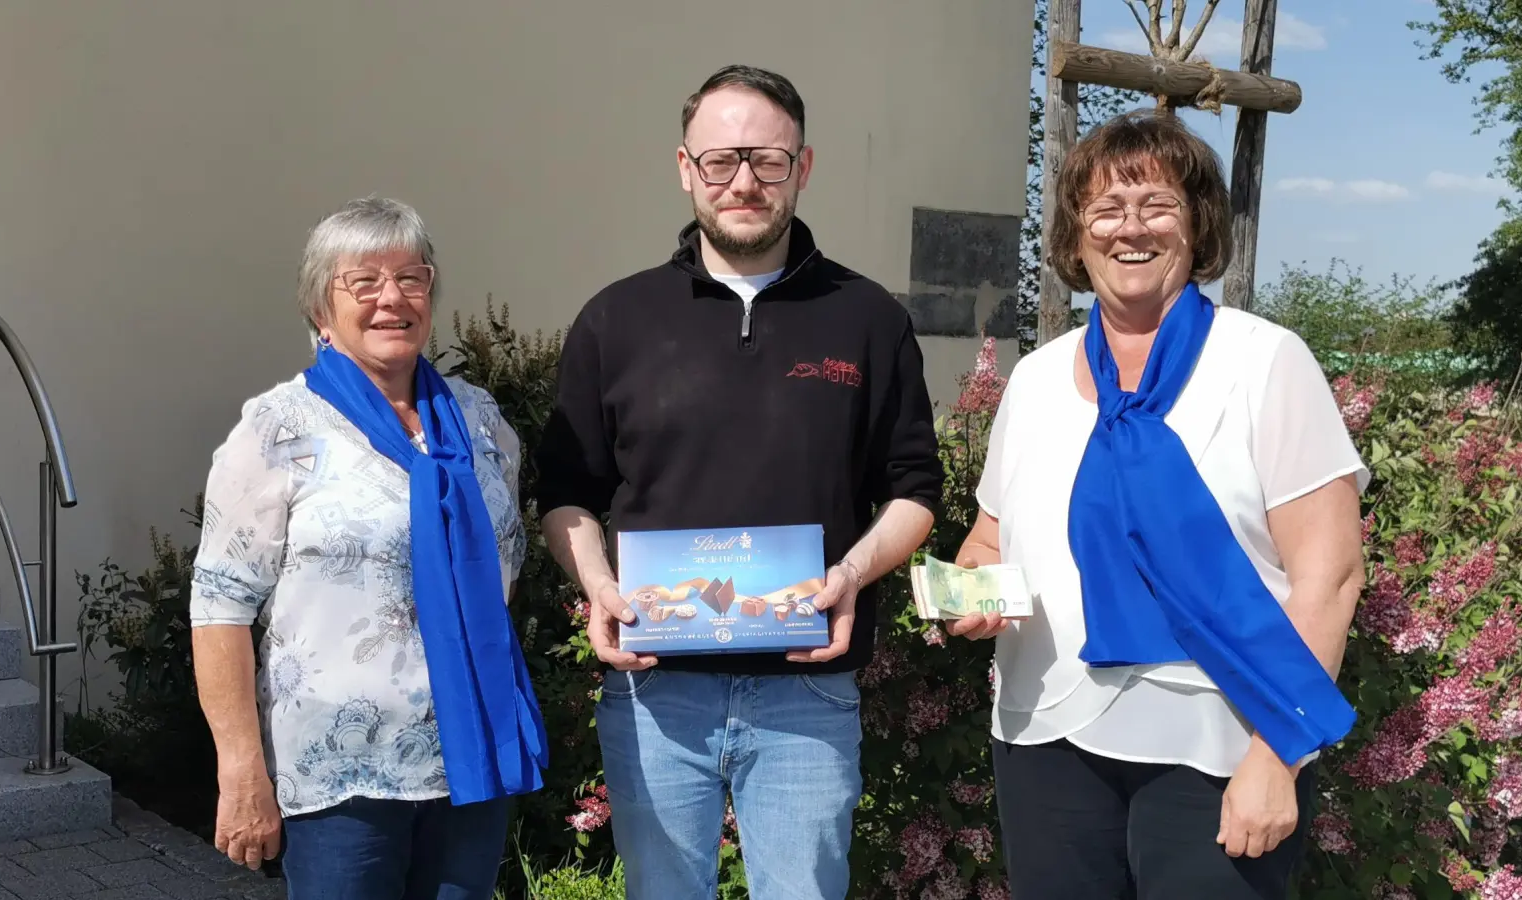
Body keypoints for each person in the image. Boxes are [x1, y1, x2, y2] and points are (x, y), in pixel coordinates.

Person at [534, 64, 944, 900]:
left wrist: (851, 575)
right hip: (657, 694)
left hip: (806, 694)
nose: (744, 182)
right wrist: (601, 587)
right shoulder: (616, 320)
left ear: (804, 166)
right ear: (685, 168)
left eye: (768, 159)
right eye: (721, 161)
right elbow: (566, 492)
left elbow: (914, 488)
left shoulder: (868, 319)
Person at [943, 109, 1369, 898]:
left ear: (1198, 227)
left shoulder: (1264, 363)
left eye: (1157, 205)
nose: (1128, 229)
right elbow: (990, 541)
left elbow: (1330, 578)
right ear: (1076, 237)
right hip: (1046, 739)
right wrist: (968, 596)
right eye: (1104, 210)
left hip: (1222, 744)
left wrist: (1278, 757)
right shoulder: (1036, 379)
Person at [189, 196, 548, 900]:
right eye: (364, 282)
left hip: (470, 760)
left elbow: (502, 568)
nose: (394, 298)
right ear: (321, 309)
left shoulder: (479, 421)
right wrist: (241, 770)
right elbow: (219, 608)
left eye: (412, 278)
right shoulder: (278, 429)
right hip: (340, 778)